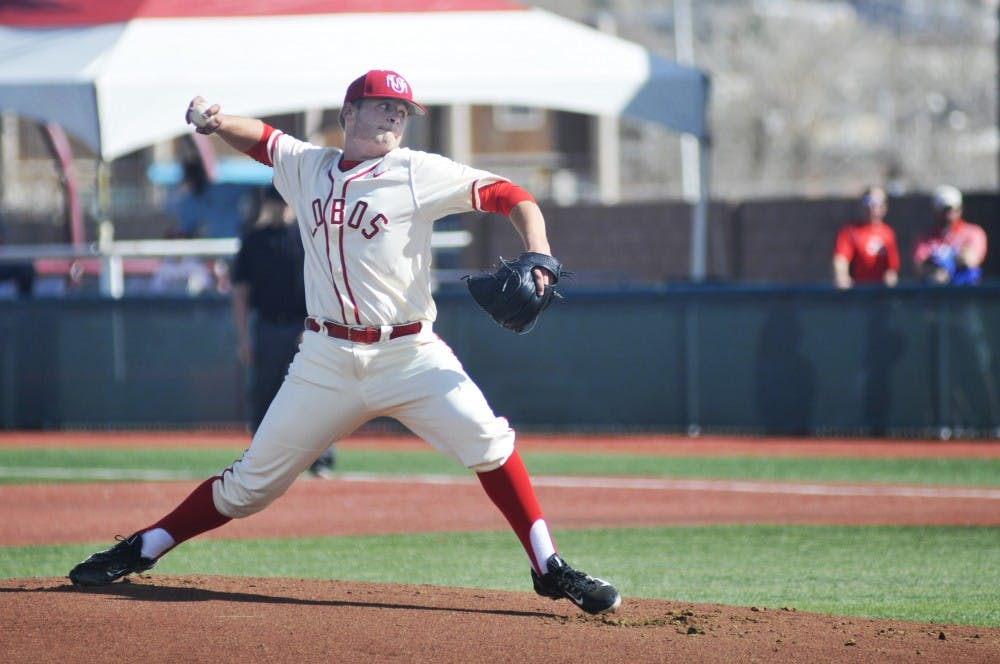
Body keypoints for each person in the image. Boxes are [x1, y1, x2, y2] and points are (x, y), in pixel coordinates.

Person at [68, 70, 621, 615]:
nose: (393, 116)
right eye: (382, 105)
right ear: (348, 113)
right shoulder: (309, 167)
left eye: (401, 111)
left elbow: (513, 195)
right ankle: (144, 546)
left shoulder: (416, 172)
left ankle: (548, 566)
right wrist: (215, 122)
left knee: (490, 442)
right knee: (248, 488)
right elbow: (262, 138)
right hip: (325, 358)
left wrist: (541, 256)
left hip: (409, 353)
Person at [231, 186, 336, 477]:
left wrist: (315, 325)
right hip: (266, 326)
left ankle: (320, 458)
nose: (283, 207)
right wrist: (243, 339)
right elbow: (240, 292)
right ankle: (261, 461)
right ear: (268, 204)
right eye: (277, 201)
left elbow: (325, 285)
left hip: (304, 329)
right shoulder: (253, 241)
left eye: (286, 201)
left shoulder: (308, 238)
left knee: (313, 394)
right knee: (264, 395)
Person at [913, 185, 988, 285]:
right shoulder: (925, 237)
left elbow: (971, 260)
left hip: (965, 294)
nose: (949, 214)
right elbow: (920, 266)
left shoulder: (973, 232)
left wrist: (948, 266)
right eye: (944, 210)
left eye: (953, 209)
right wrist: (933, 270)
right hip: (935, 296)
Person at [832, 186, 899, 289]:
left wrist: (890, 281)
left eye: (877, 203)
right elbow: (841, 260)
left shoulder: (888, 233)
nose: (873, 208)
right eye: (868, 202)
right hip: (858, 293)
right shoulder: (850, 231)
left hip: (881, 295)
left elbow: (892, 269)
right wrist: (842, 277)